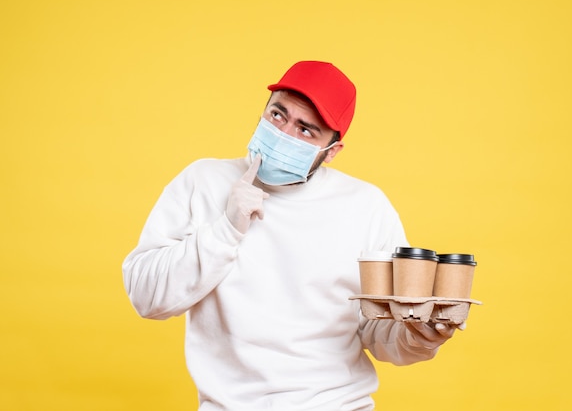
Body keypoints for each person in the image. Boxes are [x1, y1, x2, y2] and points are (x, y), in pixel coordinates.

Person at [123, 61, 462, 411]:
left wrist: (423, 334)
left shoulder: (366, 207)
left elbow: (379, 334)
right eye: (278, 115)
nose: (283, 134)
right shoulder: (202, 181)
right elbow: (146, 298)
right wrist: (226, 228)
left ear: (332, 151)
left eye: (305, 130)